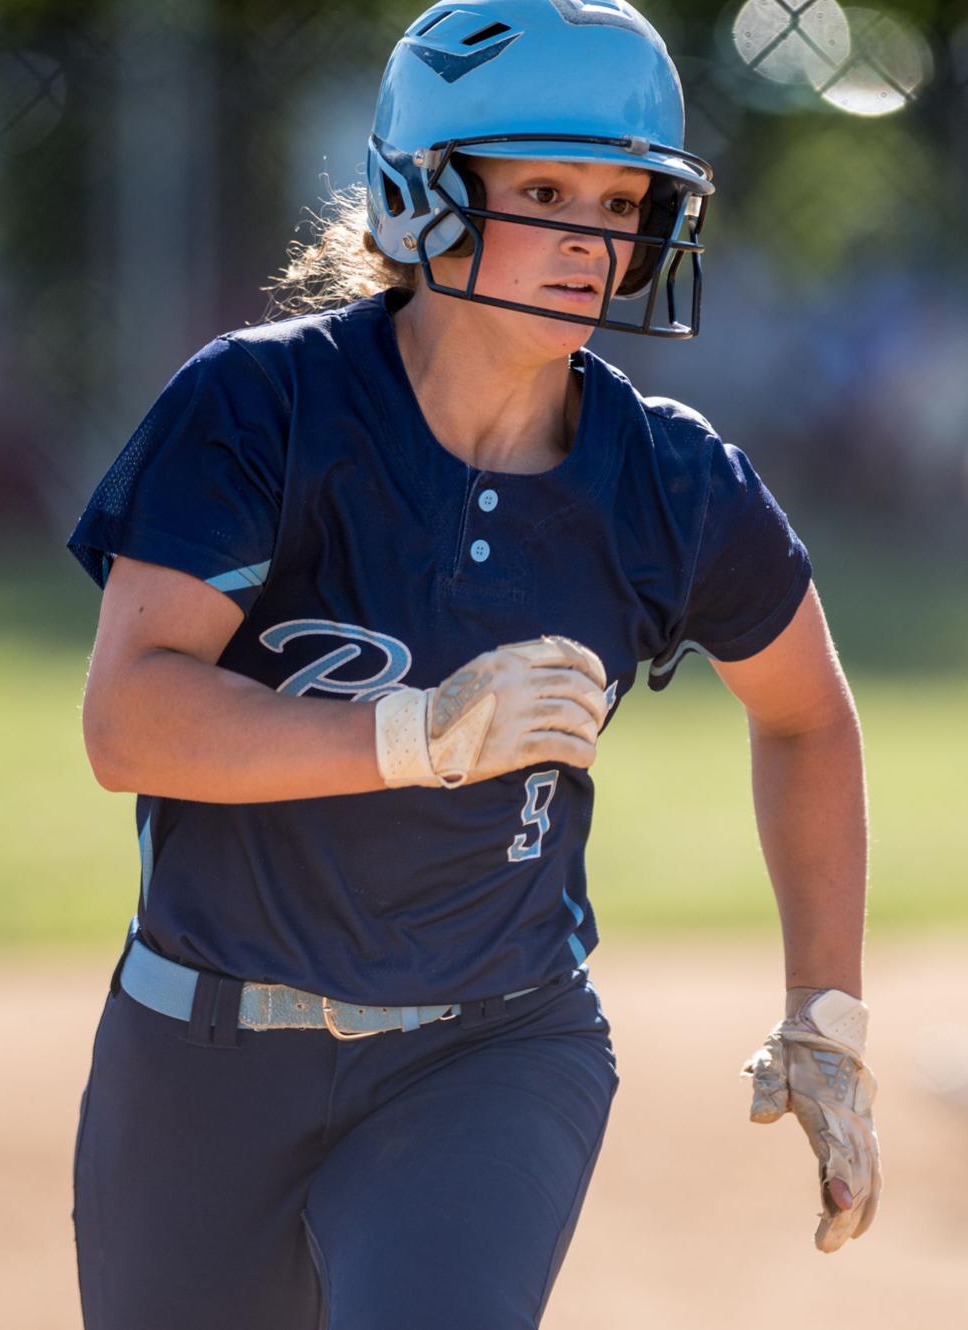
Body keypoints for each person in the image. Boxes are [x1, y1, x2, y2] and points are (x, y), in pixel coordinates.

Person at [67, 3, 881, 1328]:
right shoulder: (260, 405)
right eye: (545, 193)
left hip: (495, 1046)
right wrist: (418, 732)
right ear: (418, 196)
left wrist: (824, 1017)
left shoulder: (671, 480)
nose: (592, 241)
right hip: (200, 1046)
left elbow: (806, 718)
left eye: (622, 203)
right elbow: (129, 720)